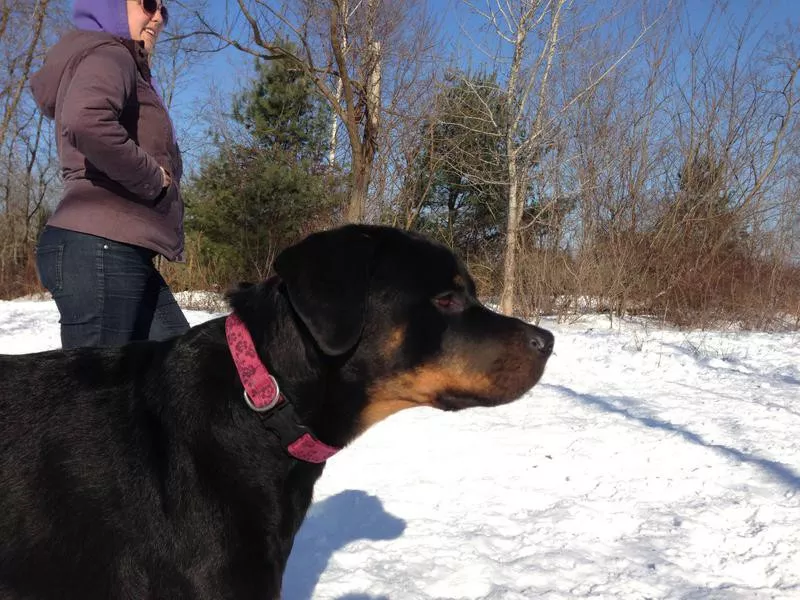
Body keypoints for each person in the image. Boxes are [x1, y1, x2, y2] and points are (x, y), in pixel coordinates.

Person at [30, 0, 189, 348]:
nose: (159, 16)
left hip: (118, 248)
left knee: (179, 370)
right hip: (101, 249)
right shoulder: (111, 53)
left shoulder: (117, 60)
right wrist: (154, 177)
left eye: (165, 9)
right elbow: (86, 121)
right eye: (148, 4)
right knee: (95, 397)